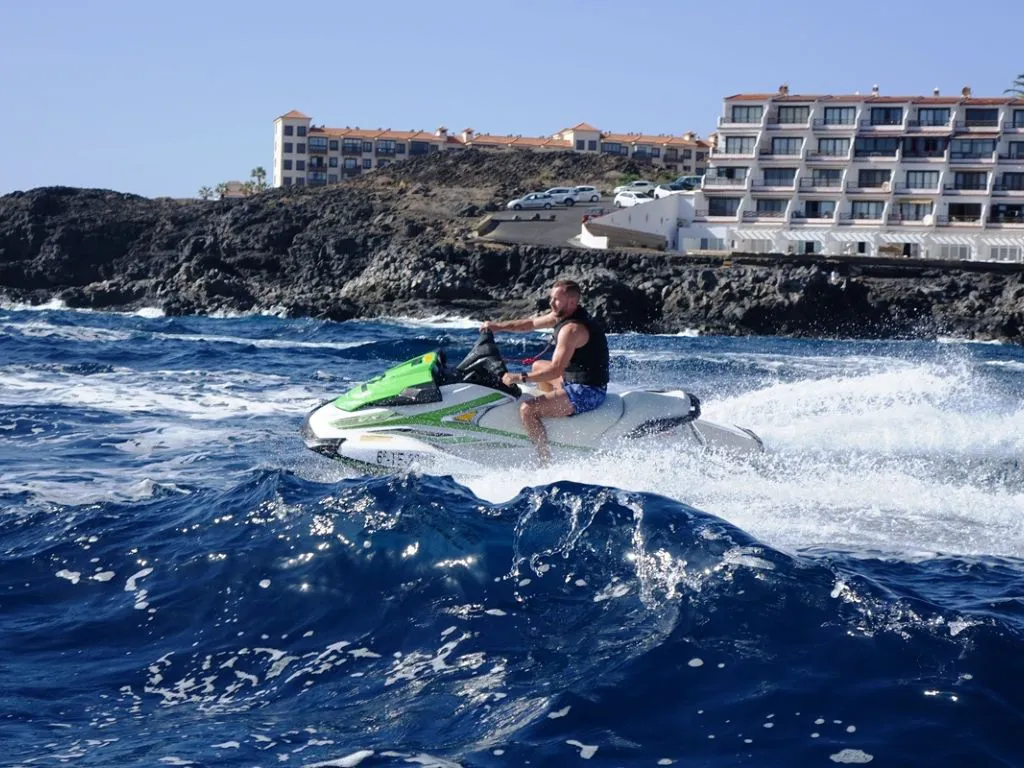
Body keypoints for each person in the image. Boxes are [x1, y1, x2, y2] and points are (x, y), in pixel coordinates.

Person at [481, 279, 609, 463]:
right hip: (572, 380)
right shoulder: (560, 316)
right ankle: (553, 410)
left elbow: (555, 370)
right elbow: (530, 324)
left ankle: (544, 460)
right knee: (538, 366)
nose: (551, 303)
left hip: (588, 391)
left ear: (572, 302)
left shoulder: (572, 329)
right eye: (551, 298)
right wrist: (497, 327)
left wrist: (519, 377)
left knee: (527, 410)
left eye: (557, 299)